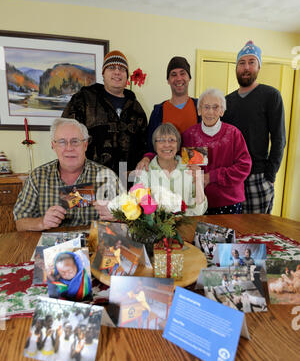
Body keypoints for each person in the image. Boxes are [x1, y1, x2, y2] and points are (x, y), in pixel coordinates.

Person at [13, 118, 123, 231]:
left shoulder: (107, 177)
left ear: (85, 145)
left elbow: (131, 220)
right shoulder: (37, 177)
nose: (69, 148)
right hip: (51, 246)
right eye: (62, 142)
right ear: (53, 145)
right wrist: (42, 222)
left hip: (94, 244)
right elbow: (20, 223)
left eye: (75, 141)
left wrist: (117, 216)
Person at [62, 50, 148, 179]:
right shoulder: (83, 99)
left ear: (127, 75)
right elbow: (65, 135)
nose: (117, 72)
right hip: (90, 180)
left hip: (127, 184)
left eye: (122, 69)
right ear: (103, 73)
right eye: (112, 67)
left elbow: (145, 145)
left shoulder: (136, 108)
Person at [223, 41, 286, 213]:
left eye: (252, 62)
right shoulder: (227, 101)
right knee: (233, 234)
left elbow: (279, 138)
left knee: (256, 234)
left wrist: (270, 176)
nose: (246, 67)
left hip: (258, 177)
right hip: (232, 178)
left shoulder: (271, 95)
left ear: (258, 66)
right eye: (242, 63)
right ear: (236, 67)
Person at [182, 88, 252, 214]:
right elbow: (188, 170)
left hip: (229, 202)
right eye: (206, 107)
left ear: (222, 111)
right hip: (199, 204)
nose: (210, 112)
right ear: (199, 110)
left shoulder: (234, 134)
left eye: (215, 107)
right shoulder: (189, 135)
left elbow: (244, 167)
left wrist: (211, 177)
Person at [136, 56, 201, 171]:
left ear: (189, 77)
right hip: (165, 173)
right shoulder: (159, 111)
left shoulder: (200, 108)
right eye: (173, 74)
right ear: (168, 80)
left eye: (183, 73)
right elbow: (151, 146)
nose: (179, 78)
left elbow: (206, 142)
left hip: (192, 172)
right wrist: (146, 158)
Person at [134, 123, 207, 216]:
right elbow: (138, 209)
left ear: (178, 144)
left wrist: (198, 182)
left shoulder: (190, 169)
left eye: (172, 140)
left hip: (186, 225)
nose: (167, 144)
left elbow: (199, 211)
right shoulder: (144, 170)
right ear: (154, 146)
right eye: (161, 140)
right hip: (155, 228)